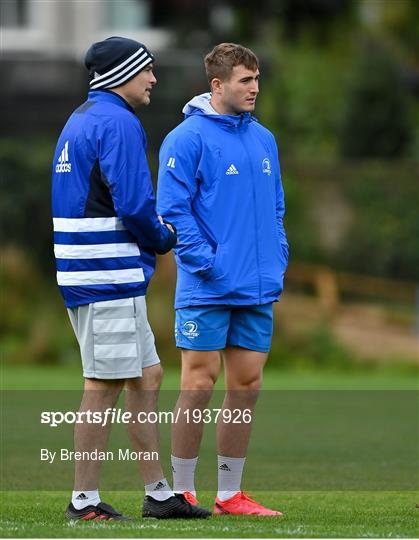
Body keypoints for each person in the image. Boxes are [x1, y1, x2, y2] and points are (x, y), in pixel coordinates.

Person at [52, 36, 210, 521]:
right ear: (122, 74)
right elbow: (135, 203)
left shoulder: (83, 117)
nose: (154, 79)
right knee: (103, 385)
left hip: (97, 271)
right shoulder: (118, 121)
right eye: (147, 71)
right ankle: (84, 501)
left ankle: (158, 493)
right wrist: (164, 237)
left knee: (148, 375)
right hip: (106, 273)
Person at [157, 43, 288, 516]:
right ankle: (183, 491)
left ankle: (230, 494)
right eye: (244, 81)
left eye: (256, 79)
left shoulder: (264, 138)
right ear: (218, 85)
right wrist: (205, 261)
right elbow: (172, 209)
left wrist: (278, 257)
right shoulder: (185, 138)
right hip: (206, 284)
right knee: (198, 383)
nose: (254, 88)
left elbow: (276, 208)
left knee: (246, 386)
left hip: (256, 286)